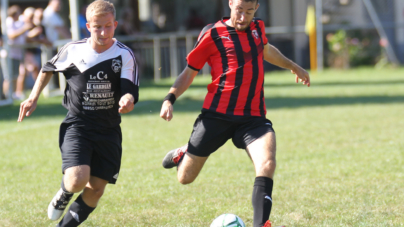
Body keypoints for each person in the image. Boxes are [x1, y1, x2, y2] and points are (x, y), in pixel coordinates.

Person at [159, 0, 310, 227]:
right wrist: (169, 98)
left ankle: (261, 224)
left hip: (253, 118)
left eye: (249, 11)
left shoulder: (258, 28)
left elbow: (266, 50)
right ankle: (185, 152)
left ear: (256, 8)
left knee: (267, 164)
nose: (243, 17)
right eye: (239, 10)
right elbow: (189, 72)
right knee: (185, 178)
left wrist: (293, 66)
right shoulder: (212, 34)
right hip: (216, 116)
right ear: (230, 3)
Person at [18, 1, 139, 226]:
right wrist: (33, 97)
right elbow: (47, 68)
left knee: (96, 190)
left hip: (109, 130)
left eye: (108, 26)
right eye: (97, 27)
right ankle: (65, 192)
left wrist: (128, 100)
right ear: (88, 26)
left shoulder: (124, 54)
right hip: (78, 126)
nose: (103, 32)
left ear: (116, 24)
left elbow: (129, 89)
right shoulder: (73, 50)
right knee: (76, 180)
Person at [4, 5, 33, 100]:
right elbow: (11, 36)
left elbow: (25, 37)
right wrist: (25, 28)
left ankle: (12, 95)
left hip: (18, 54)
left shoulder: (19, 23)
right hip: (10, 54)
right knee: (9, 76)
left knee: (16, 75)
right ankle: (6, 96)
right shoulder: (9, 21)